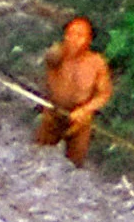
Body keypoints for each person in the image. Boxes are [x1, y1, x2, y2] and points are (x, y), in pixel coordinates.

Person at [34, 16, 113, 168]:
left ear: (89, 39)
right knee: (39, 157)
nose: (73, 39)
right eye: (70, 34)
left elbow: (104, 94)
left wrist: (85, 110)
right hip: (53, 114)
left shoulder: (97, 63)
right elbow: (50, 59)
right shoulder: (58, 55)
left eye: (80, 35)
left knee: (75, 164)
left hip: (80, 121)